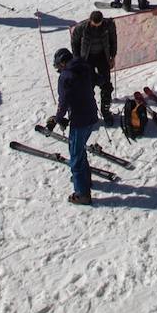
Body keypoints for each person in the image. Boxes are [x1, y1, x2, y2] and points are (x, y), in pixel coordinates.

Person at [45, 48, 100, 205]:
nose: (58, 70)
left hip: (80, 120)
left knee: (75, 156)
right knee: (80, 148)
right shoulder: (84, 66)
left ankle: (82, 193)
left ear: (63, 63)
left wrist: (57, 118)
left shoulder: (66, 76)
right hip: (91, 116)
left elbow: (63, 102)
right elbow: (98, 80)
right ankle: (85, 180)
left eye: (58, 67)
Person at [70, 10, 118, 124]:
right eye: (94, 25)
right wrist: (77, 60)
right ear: (90, 20)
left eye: (99, 24)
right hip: (87, 59)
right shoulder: (81, 28)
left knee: (106, 85)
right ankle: (90, 113)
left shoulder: (108, 25)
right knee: (87, 86)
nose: (96, 27)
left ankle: (105, 111)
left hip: (103, 57)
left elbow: (113, 40)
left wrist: (112, 56)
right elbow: (74, 43)